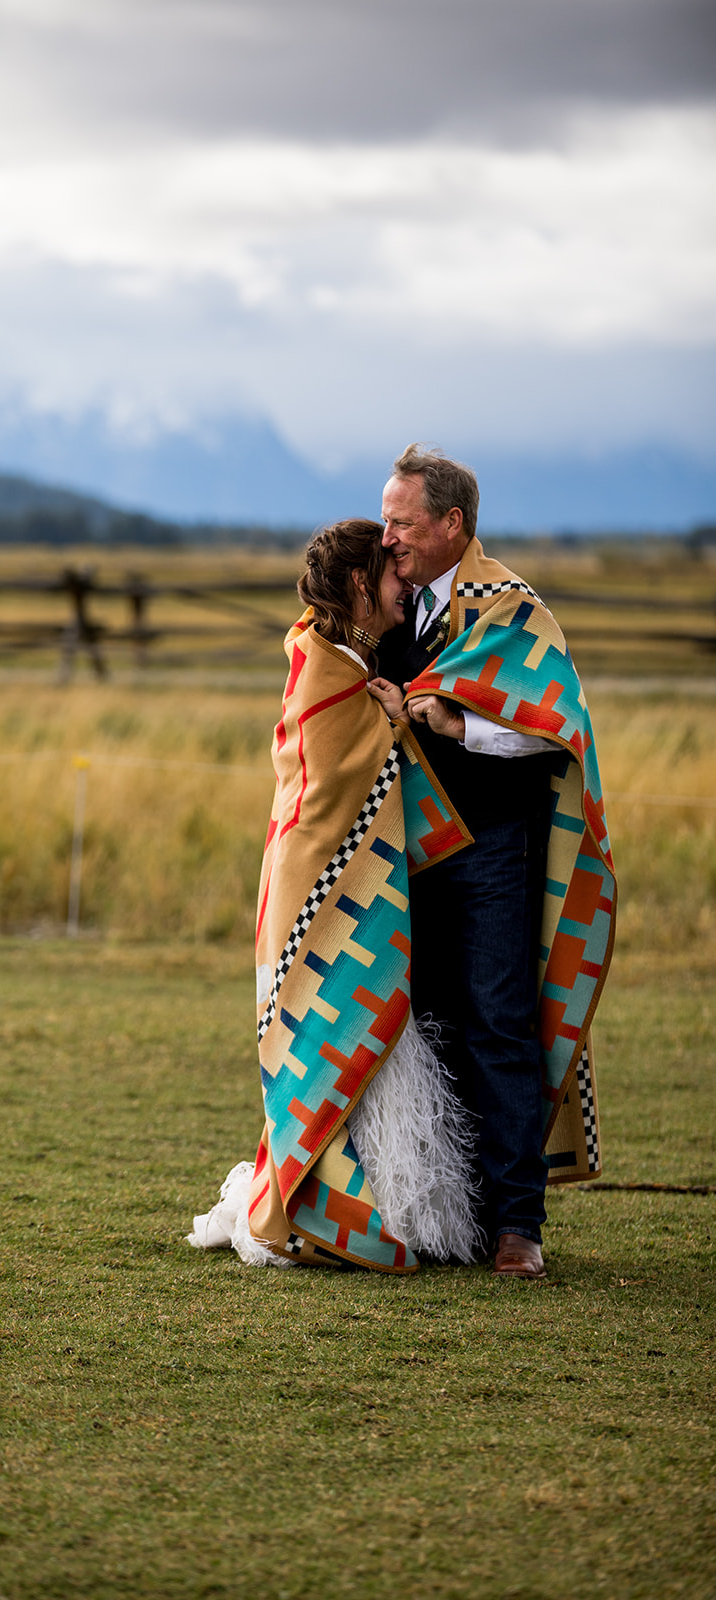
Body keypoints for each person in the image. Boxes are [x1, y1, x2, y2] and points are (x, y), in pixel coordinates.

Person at [190, 519, 484, 1273]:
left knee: (360, 1042)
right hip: (318, 887)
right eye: (388, 570)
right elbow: (335, 780)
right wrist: (397, 721)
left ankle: (390, 1205)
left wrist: (388, 717)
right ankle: (329, 1208)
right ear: (358, 585)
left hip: (320, 882)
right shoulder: (327, 667)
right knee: (335, 1038)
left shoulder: (340, 657)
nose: (403, 582)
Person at [371, 444, 617, 1278]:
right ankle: (449, 1216)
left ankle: (517, 1226)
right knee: (421, 1019)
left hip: (491, 846)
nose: (388, 535)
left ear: (452, 524)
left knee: (497, 1022)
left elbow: (554, 725)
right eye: (384, 518)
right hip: (400, 850)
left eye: (402, 521)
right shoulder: (382, 605)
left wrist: (456, 725)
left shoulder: (511, 609)